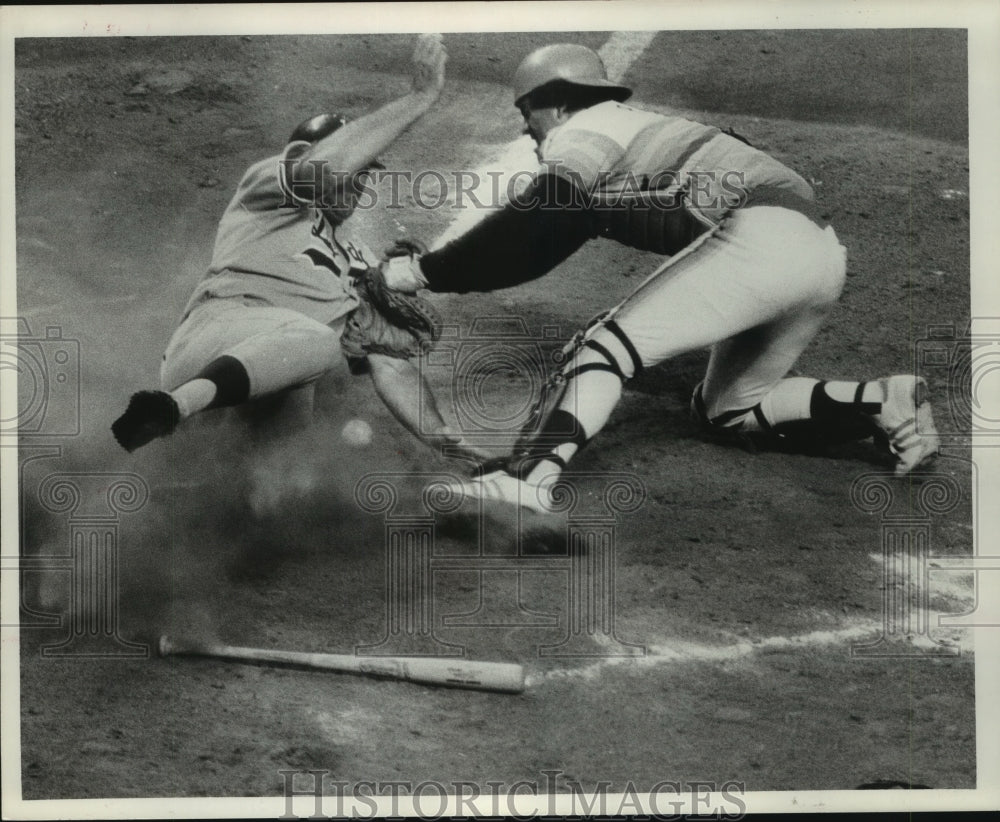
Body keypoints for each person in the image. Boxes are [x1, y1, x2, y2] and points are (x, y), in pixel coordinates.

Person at [377, 43, 940, 513]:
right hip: (817, 255)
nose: (526, 131)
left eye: (527, 114)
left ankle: (525, 483)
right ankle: (878, 399)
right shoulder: (636, 130)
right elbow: (545, 242)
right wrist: (442, 271)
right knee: (730, 411)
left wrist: (421, 272)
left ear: (550, 104)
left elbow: (534, 228)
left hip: (762, 238)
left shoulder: (586, 131)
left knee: (599, 350)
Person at [112, 34, 466, 457]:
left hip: (274, 381)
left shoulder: (362, 264)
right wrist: (419, 98)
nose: (361, 179)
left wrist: (443, 438)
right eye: (357, 167)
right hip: (213, 341)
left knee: (291, 480)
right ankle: (169, 407)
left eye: (367, 172)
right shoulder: (267, 190)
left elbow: (389, 363)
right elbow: (326, 169)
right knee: (318, 340)